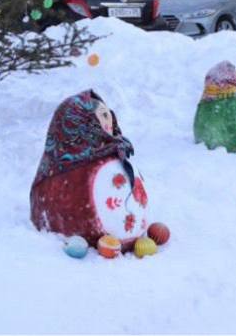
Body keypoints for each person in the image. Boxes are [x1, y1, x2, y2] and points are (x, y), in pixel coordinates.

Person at [29, 90, 150, 251]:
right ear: (83, 120)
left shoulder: (116, 151)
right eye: (103, 116)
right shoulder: (61, 173)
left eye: (109, 114)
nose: (110, 121)